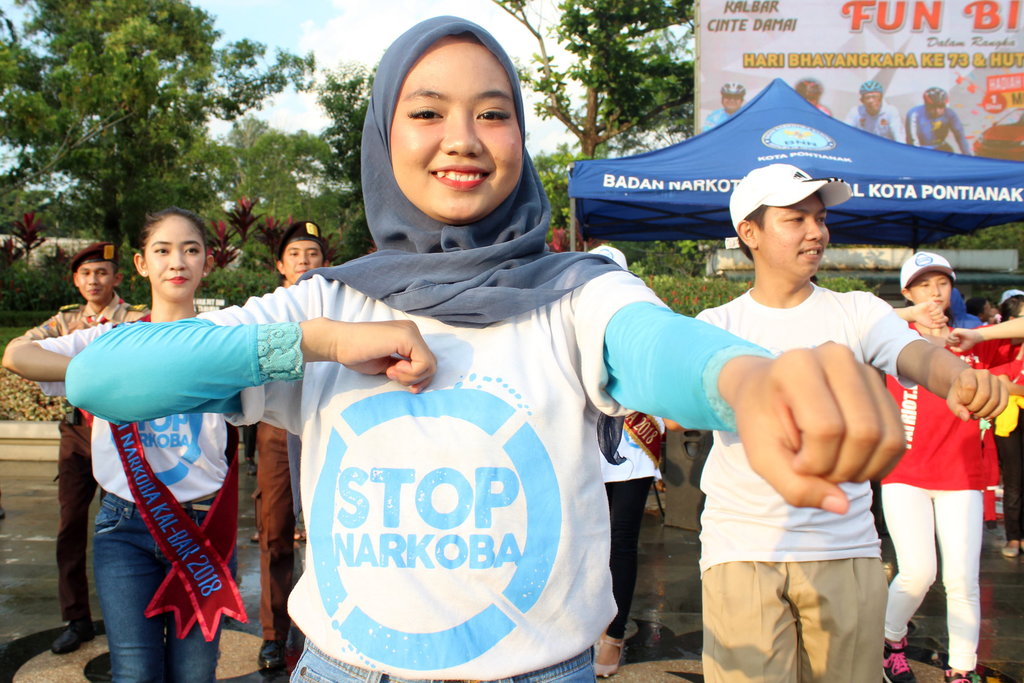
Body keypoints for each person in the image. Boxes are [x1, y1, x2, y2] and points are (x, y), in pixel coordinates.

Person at [61, 18, 921, 681]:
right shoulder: (325, 300)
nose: (463, 137)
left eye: (494, 113)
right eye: (426, 111)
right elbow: (104, 372)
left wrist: (748, 380)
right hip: (344, 666)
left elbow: (656, 346)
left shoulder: (576, 290)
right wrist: (318, 342)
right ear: (382, 137)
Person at [695, 164, 1007, 683]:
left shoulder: (857, 311)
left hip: (844, 549)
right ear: (749, 233)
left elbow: (917, 355)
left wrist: (959, 380)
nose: (816, 232)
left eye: (819, 218)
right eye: (795, 219)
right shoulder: (717, 325)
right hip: (743, 548)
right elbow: (676, 411)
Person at [2, 209, 246, 682]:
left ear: (208, 262)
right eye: (163, 250)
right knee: (133, 672)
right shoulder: (112, 340)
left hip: (205, 526)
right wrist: (100, 372)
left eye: (191, 249)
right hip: (126, 526)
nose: (177, 261)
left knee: (196, 674)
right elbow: (17, 355)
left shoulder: (227, 338)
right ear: (140, 264)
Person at [882, 252, 1021, 683]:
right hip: (904, 475)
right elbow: (845, 315)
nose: (935, 293)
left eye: (942, 283)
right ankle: (890, 641)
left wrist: (979, 338)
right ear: (908, 293)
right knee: (918, 572)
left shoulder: (976, 340)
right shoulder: (893, 340)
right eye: (923, 285)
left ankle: (961, 667)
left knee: (962, 579)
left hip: (962, 477)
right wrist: (909, 314)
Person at [3, 241, 147, 654]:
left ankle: (137, 614)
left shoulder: (137, 319)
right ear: (76, 280)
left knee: (131, 524)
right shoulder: (65, 322)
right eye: (86, 274)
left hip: (124, 430)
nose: (94, 280)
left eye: (102, 272)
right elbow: (20, 349)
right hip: (78, 434)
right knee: (69, 526)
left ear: (117, 277)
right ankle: (77, 618)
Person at [585, 245, 665, 678]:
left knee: (621, 543)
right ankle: (583, 629)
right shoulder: (570, 313)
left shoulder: (648, 315)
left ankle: (613, 637)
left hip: (633, 448)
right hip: (586, 447)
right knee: (583, 539)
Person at [254, 219, 328, 670]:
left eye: (313, 254)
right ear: (280, 265)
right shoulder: (266, 311)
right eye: (296, 254)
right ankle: (272, 635)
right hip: (278, 433)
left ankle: (316, 633)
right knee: (276, 534)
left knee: (325, 531)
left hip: (322, 424)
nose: (304, 260)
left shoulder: (337, 309)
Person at [992, 294, 1024, 558]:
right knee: (1014, 477)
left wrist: (1012, 387)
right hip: (1008, 419)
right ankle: (1014, 537)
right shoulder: (999, 348)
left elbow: (1006, 383)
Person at [906, 87, 971, 154]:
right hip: (922, 150)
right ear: (926, 105)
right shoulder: (914, 114)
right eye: (932, 107)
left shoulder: (950, 113)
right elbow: (912, 141)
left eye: (941, 106)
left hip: (941, 148)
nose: (937, 111)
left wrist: (968, 157)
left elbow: (960, 136)